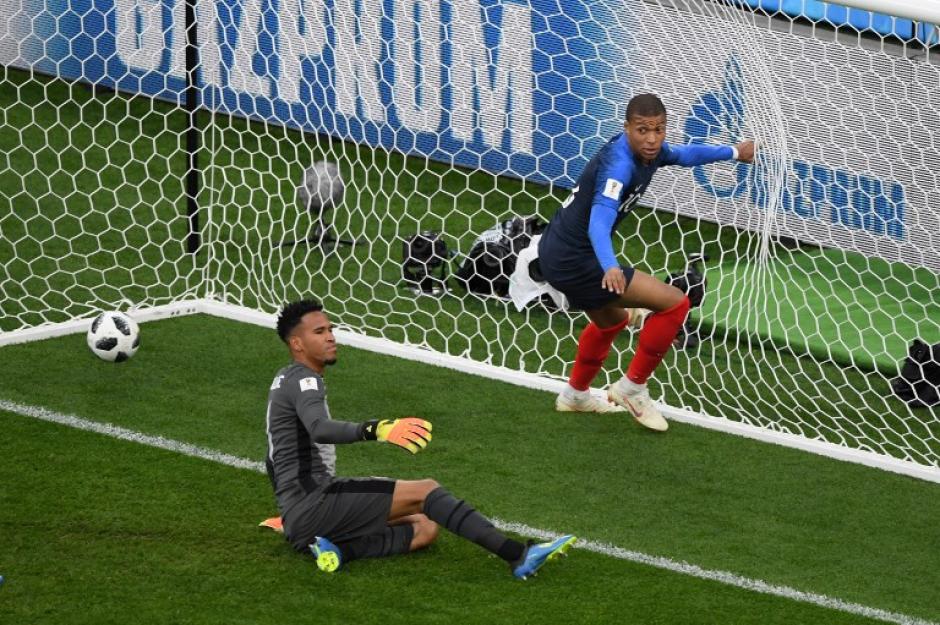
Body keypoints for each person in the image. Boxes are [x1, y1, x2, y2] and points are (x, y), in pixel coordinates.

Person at [264, 298, 576, 578]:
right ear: (298, 344)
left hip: (304, 515)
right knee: (426, 491)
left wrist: (291, 511)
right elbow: (319, 427)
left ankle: (335, 549)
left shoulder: (285, 379)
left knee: (425, 526)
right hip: (315, 503)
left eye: (330, 329)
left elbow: (273, 457)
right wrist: (377, 429)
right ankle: (518, 555)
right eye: (319, 332)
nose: (331, 336)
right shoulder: (304, 380)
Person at [538, 93, 755, 431]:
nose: (652, 139)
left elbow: (685, 155)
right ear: (626, 128)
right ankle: (633, 388)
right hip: (578, 259)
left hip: (557, 249)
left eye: (659, 129)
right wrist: (610, 265)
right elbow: (599, 219)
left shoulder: (651, 152)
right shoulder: (619, 165)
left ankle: (575, 395)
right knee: (674, 303)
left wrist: (734, 152)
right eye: (642, 130)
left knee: (612, 322)